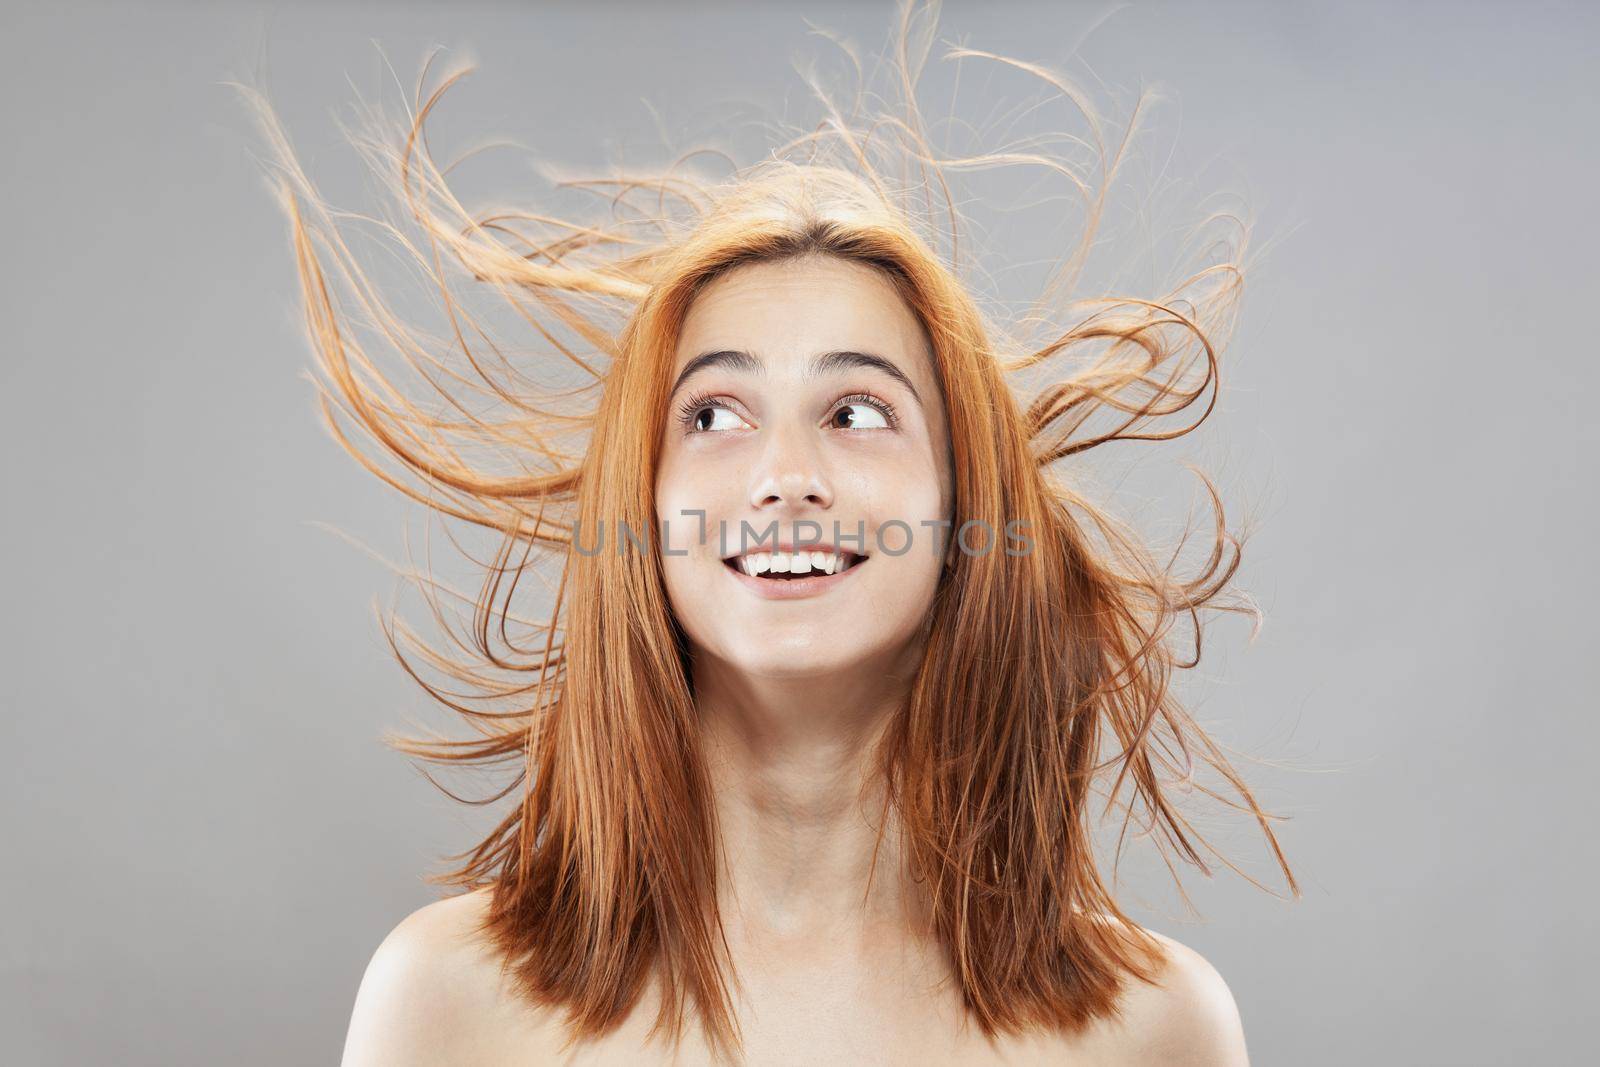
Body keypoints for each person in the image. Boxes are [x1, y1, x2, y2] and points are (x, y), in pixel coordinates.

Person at [240, 3, 1295, 1062]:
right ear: (641, 514)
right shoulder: (444, 1001)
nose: (785, 475)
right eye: (710, 416)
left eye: (857, 411)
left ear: (964, 510)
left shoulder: (1153, 1028)